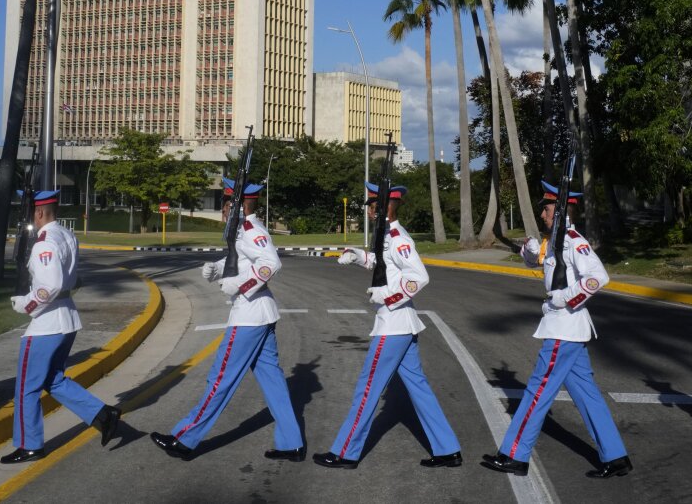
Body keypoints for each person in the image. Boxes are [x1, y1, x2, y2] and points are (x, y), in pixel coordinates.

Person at [481, 181, 631, 479]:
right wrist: (529, 252)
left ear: (561, 210)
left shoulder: (573, 241)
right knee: (587, 395)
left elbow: (598, 277)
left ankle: (514, 454)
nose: (543, 215)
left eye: (547, 209)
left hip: (565, 328)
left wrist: (565, 298)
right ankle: (615, 457)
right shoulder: (555, 241)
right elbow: (542, 267)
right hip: (568, 331)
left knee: (537, 391)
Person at [150, 179, 304, 461]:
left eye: (226, 202)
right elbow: (242, 261)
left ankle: (185, 438)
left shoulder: (250, 230)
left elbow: (271, 263)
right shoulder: (242, 231)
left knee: (220, 378)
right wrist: (218, 269)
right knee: (273, 382)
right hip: (260, 315)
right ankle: (291, 443)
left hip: (249, 316)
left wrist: (241, 287)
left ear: (238, 205)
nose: (223, 208)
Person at [313, 182, 462, 470]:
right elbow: (383, 265)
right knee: (418, 388)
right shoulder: (386, 237)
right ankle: (447, 449)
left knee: (367, 388)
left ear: (386, 207)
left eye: (373, 205)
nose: (369, 209)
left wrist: (388, 296)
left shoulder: (399, 238)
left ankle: (345, 452)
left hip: (393, 324)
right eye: (369, 205)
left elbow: (419, 277)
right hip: (400, 324)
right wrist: (359, 256)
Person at [2, 189, 122, 463]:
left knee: (26, 388)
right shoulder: (66, 234)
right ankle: (103, 415)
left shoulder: (45, 242)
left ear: (39, 212)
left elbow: (51, 284)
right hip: (66, 319)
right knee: (52, 380)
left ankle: (30, 445)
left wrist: (26, 304)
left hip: (47, 323)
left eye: (31, 211)